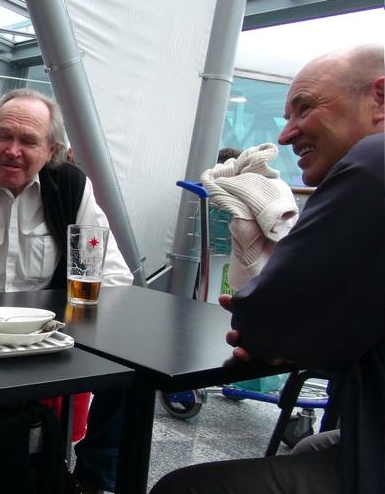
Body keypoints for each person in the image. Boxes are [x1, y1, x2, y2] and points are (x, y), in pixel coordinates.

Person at [151, 44, 384, 494]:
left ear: (379, 97)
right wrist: (293, 336)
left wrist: (275, 335)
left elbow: (265, 319)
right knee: (310, 448)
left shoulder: (373, 164)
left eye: (305, 108)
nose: (285, 134)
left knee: (182, 489)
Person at [0, 88, 134, 493]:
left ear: (51, 149)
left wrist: (85, 324)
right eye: (3, 135)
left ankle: (91, 480)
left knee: (132, 374)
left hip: (46, 334)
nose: (12, 151)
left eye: (28, 141)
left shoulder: (71, 185)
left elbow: (115, 275)